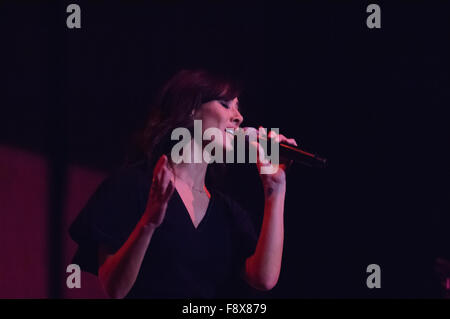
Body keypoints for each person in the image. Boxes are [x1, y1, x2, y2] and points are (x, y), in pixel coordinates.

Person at [69, 68, 298, 298]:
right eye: (225, 104)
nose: (238, 117)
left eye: (238, 107)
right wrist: (149, 223)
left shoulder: (226, 211)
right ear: (191, 110)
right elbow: (115, 289)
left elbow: (264, 279)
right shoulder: (131, 186)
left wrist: (275, 190)